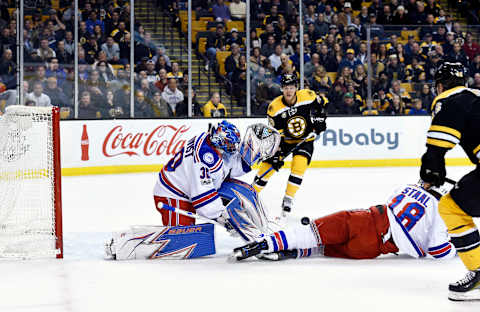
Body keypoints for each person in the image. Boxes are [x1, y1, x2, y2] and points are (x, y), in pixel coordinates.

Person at [233, 182, 455, 262]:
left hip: (364, 221)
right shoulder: (443, 213)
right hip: (372, 249)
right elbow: (440, 250)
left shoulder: (410, 188)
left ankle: (265, 244)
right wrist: (457, 247)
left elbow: (394, 202)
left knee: (311, 232)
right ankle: (297, 253)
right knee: (323, 248)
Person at [419, 62, 480, 301]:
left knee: (450, 207)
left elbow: (438, 146)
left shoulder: (448, 99)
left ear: (440, 85)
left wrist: (431, 175)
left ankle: (478, 272)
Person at [252, 73, 328, 217]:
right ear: (282, 89)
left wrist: (319, 121)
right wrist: (277, 154)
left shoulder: (307, 95)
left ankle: (288, 199)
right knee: (268, 167)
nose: (289, 91)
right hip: (284, 141)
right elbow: (276, 134)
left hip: (305, 138)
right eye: (286, 87)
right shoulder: (274, 108)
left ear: (296, 88)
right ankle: (251, 193)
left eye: (291, 87)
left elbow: (322, 103)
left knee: (299, 167)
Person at [153, 121, 249, 227]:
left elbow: (226, 169)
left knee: (189, 231)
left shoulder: (210, 142)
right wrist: (220, 216)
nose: (233, 147)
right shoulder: (204, 159)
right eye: (230, 143)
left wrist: (248, 161)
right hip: (172, 194)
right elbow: (202, 195)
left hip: (185, 189)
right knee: (183, 236)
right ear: (221, 141)